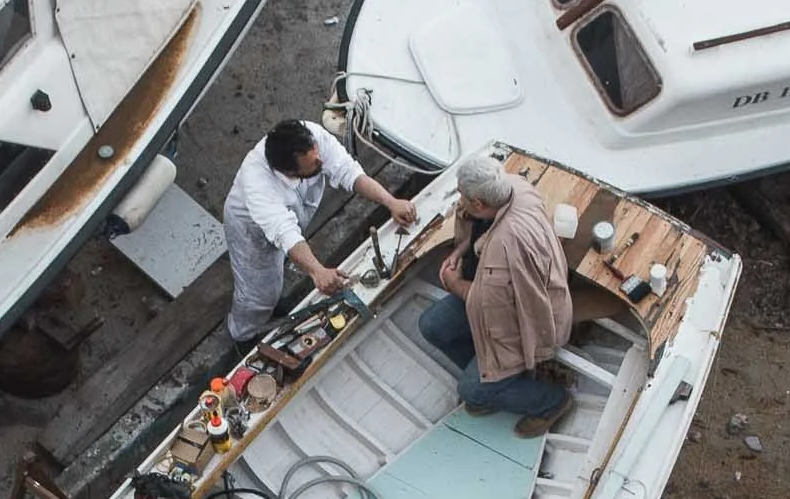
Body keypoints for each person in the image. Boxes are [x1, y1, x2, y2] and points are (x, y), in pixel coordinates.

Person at [223, 116, 418, 346]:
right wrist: (317, 271)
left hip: (294, 213)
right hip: (251, 231)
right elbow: (286, 232)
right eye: (313, 164)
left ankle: (274, 297)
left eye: (316, 152)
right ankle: (243, 333)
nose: (320, 159)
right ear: (289, 172)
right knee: (259, 292)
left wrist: (390, 201)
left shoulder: (310, 137)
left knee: (281, 266)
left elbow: (348, 171)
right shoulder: (258, 185)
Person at [418, 153, 575, 438]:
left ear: (478, 202)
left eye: (462, 197)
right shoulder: (515, 187)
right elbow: (482, 230)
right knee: (432, 325)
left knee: (470, 392)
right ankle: (493, 375)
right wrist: (459, 251)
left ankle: (551, 401)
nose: (460, 201)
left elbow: (482, 302)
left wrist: (453, 283)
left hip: (522, 325)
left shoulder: (502, 254)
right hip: (504, 303)